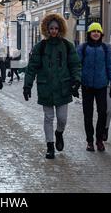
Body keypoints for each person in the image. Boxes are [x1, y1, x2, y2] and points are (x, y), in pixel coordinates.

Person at [23, 14, 81, 159]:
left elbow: (75, 65)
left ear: (60, 28)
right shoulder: (40, 47)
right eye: (51, 28)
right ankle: (50, 146)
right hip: (46, 88)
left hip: (63, 87)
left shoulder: (67, 46)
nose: (54, 31)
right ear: (47, 30)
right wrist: (27, 86)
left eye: (56, 28)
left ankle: (59, 133)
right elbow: (31, 68)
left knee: (62, 119)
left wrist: (76, 80)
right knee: (48, 118)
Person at [77, 23, 111, 152]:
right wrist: (76, 82)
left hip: (101, 85)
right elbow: (77, 66)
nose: (96, 33)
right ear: (89, 33)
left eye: (98, 31)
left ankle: (99, 140)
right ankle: (89, 141)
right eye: (93, 31)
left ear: (101, 34)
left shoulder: (106, 48)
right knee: (87, 114)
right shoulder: (83, 48)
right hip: (87, 86)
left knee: (102, 113)